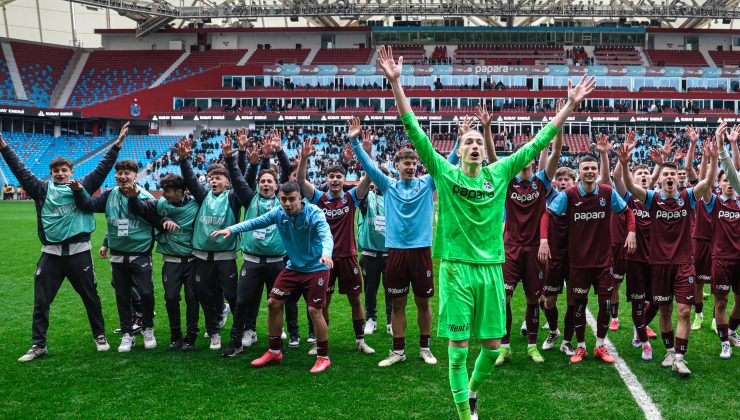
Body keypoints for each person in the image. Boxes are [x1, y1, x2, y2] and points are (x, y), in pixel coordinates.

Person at [377, 45, 595, 420]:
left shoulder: (500, 174)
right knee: (458, 349)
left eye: (480, 141)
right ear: (459, 151)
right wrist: (397, 84)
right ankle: (465, 414)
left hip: (493, 267)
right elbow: (412, 127)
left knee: (492, 347)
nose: (475, 145)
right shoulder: (445, 175)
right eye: (469, 142)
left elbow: (540, 140)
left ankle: (472, 392)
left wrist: (570, 104)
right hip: (457, 269)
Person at [0, 124, 128, 362]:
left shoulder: (82, 186)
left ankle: (99, 335)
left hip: (79, 252)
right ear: (51, 173)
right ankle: (39, 345)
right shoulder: (41, 189)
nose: (60, 173)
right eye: (56, 170)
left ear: (71, 171)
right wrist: (4, 147)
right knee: (41, 300)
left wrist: (117, 145)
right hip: (51, 253)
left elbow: (102, 169)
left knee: (90, 297)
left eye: (64, 169)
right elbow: (20, 171)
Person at [348, 115, 462, 367]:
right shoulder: (388, 185)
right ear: (397, 165)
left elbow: (449, 162)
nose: (410, 166)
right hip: (396, 252)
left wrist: (459, 139)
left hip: (421, 251)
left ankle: (425, 347)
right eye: (405, 163)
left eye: (413, 162)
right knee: (397, 302)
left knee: (423, 302)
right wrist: (355, 143)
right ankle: (398, 351)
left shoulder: (428, 181)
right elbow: (369, 169)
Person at [616, 127, 719, 377]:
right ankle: (670, 350)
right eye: (666, 174)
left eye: (674, 174)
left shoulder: (687, 197)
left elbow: (706, 182)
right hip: (659, 263)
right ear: (660, 179)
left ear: (678, 178)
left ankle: (680, 357)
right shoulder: (651, 198)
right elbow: (630, 186)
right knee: (664, 310)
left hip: (684, 262)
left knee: (683, 310)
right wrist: (625, 163)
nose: (670, 177)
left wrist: (713, 158)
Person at [210, 181, 334, 374]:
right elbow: (254, 222)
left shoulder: (314, 213)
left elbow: (326, 235)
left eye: (292, 199)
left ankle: (323, 357)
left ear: (300, 198)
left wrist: (326, 253)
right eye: (283, 199)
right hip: (294, 268)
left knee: (314, 310)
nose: (287, 203)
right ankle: (274, 350)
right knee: (273, 303)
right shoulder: (279, 213)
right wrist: (231, 229)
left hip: (317, 267)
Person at [542, 155, 637, 364]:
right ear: (579, 171)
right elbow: (547, 215)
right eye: (586, 168)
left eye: (593, 168)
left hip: (603, 262)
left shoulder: (607, 192)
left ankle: (600, 345)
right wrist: (543, 241)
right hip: (578, 262)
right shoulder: (569, 194)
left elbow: (628, 212)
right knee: (578, 305)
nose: (590, 171)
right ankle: (581, 347)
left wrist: (631, 233)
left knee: (605, 304)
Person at [498, 100, 563, 366]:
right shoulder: (507, 181)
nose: (526, 159)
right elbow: (493, 158)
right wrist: (490, 129)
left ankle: (532, 345)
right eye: (521, 154)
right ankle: (504, 346)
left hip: (536, 249)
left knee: (533, 298)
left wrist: (558, 125)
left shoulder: (541, 182)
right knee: (505, 297)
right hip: (510, 248)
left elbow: (556, 152)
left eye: (530, 155)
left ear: (534, 159)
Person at [297, 136, 375, 356]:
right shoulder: (319, 199)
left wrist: (366, 152)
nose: (335, 180)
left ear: (344, 178)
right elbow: (301, 181)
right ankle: (322, 343)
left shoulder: (352, 198)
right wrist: (304, 158)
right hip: (325, 258)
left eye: (339, 176)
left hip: (348, 256)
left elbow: (369, 176)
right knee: (323, 302)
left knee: (355, 300)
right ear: (326, 178)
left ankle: (360, 341)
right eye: (331, 176)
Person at [174, 137, 253, 351]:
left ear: (227, 182)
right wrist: (184, 160)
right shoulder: (203, 195)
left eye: (218, 178)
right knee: (205, 296)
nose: (213, 181)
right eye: (211, 178)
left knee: (233, 296)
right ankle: (214, 333)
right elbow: (191, 180)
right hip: (201, 257)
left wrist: (236, 157)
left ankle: (241, 330)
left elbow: (242, 179)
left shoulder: (232, 198)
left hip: (225, 257)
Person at [72, 160, 160, 352]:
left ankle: (148, 328)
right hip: (118, 254)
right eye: (119, 172)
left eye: (126, 173)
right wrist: (79, 190)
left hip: (140, 253)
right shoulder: (109, 195)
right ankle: (128, 333)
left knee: (146, 293)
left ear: (135, 176)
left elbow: (157, 222)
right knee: (122, 295)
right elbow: (90, 206)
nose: (122, 176)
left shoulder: (145, 197)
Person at [128, 174, 201, 352]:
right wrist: (133, 197)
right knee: (170, 297)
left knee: (192, 299)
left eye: (167, 191)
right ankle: (175, 336)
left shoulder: (197, 204)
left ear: (179, 191)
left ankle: (191, 337)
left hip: (193, 260)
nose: (164, 194)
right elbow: (138, 209)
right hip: (171, 260)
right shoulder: (160, 205)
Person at [612, 131, 659, 361]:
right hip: (635, 257)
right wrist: (626, 157)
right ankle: (644, 341)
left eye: (646, 173)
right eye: (639, 173)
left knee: (659, 300)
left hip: (658, 257)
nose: (643, 175)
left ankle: (639, 327)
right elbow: (618, 179)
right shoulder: (628, 198)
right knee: (639, 299)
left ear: (651, 179)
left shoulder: (657, 200)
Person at [708, 126, 740, 358]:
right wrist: (721, 149)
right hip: (720, 259)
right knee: (721, 301)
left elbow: (734, 170)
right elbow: (730, 168)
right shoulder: (714, 201)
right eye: (725, 180)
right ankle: (724, 343)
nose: (729, 183)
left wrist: (731, 145)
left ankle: (731, 331)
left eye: (732, 181)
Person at [538, 166, 576, 355]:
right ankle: (553, 331)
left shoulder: (579, 199)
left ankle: (568, 341)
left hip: (575, 258)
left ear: (574, 182)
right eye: (559, 179)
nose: (563, 182)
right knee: (548, 301)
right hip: (553, 257)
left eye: (567, 179)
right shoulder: (551, 200)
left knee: (572, 300)